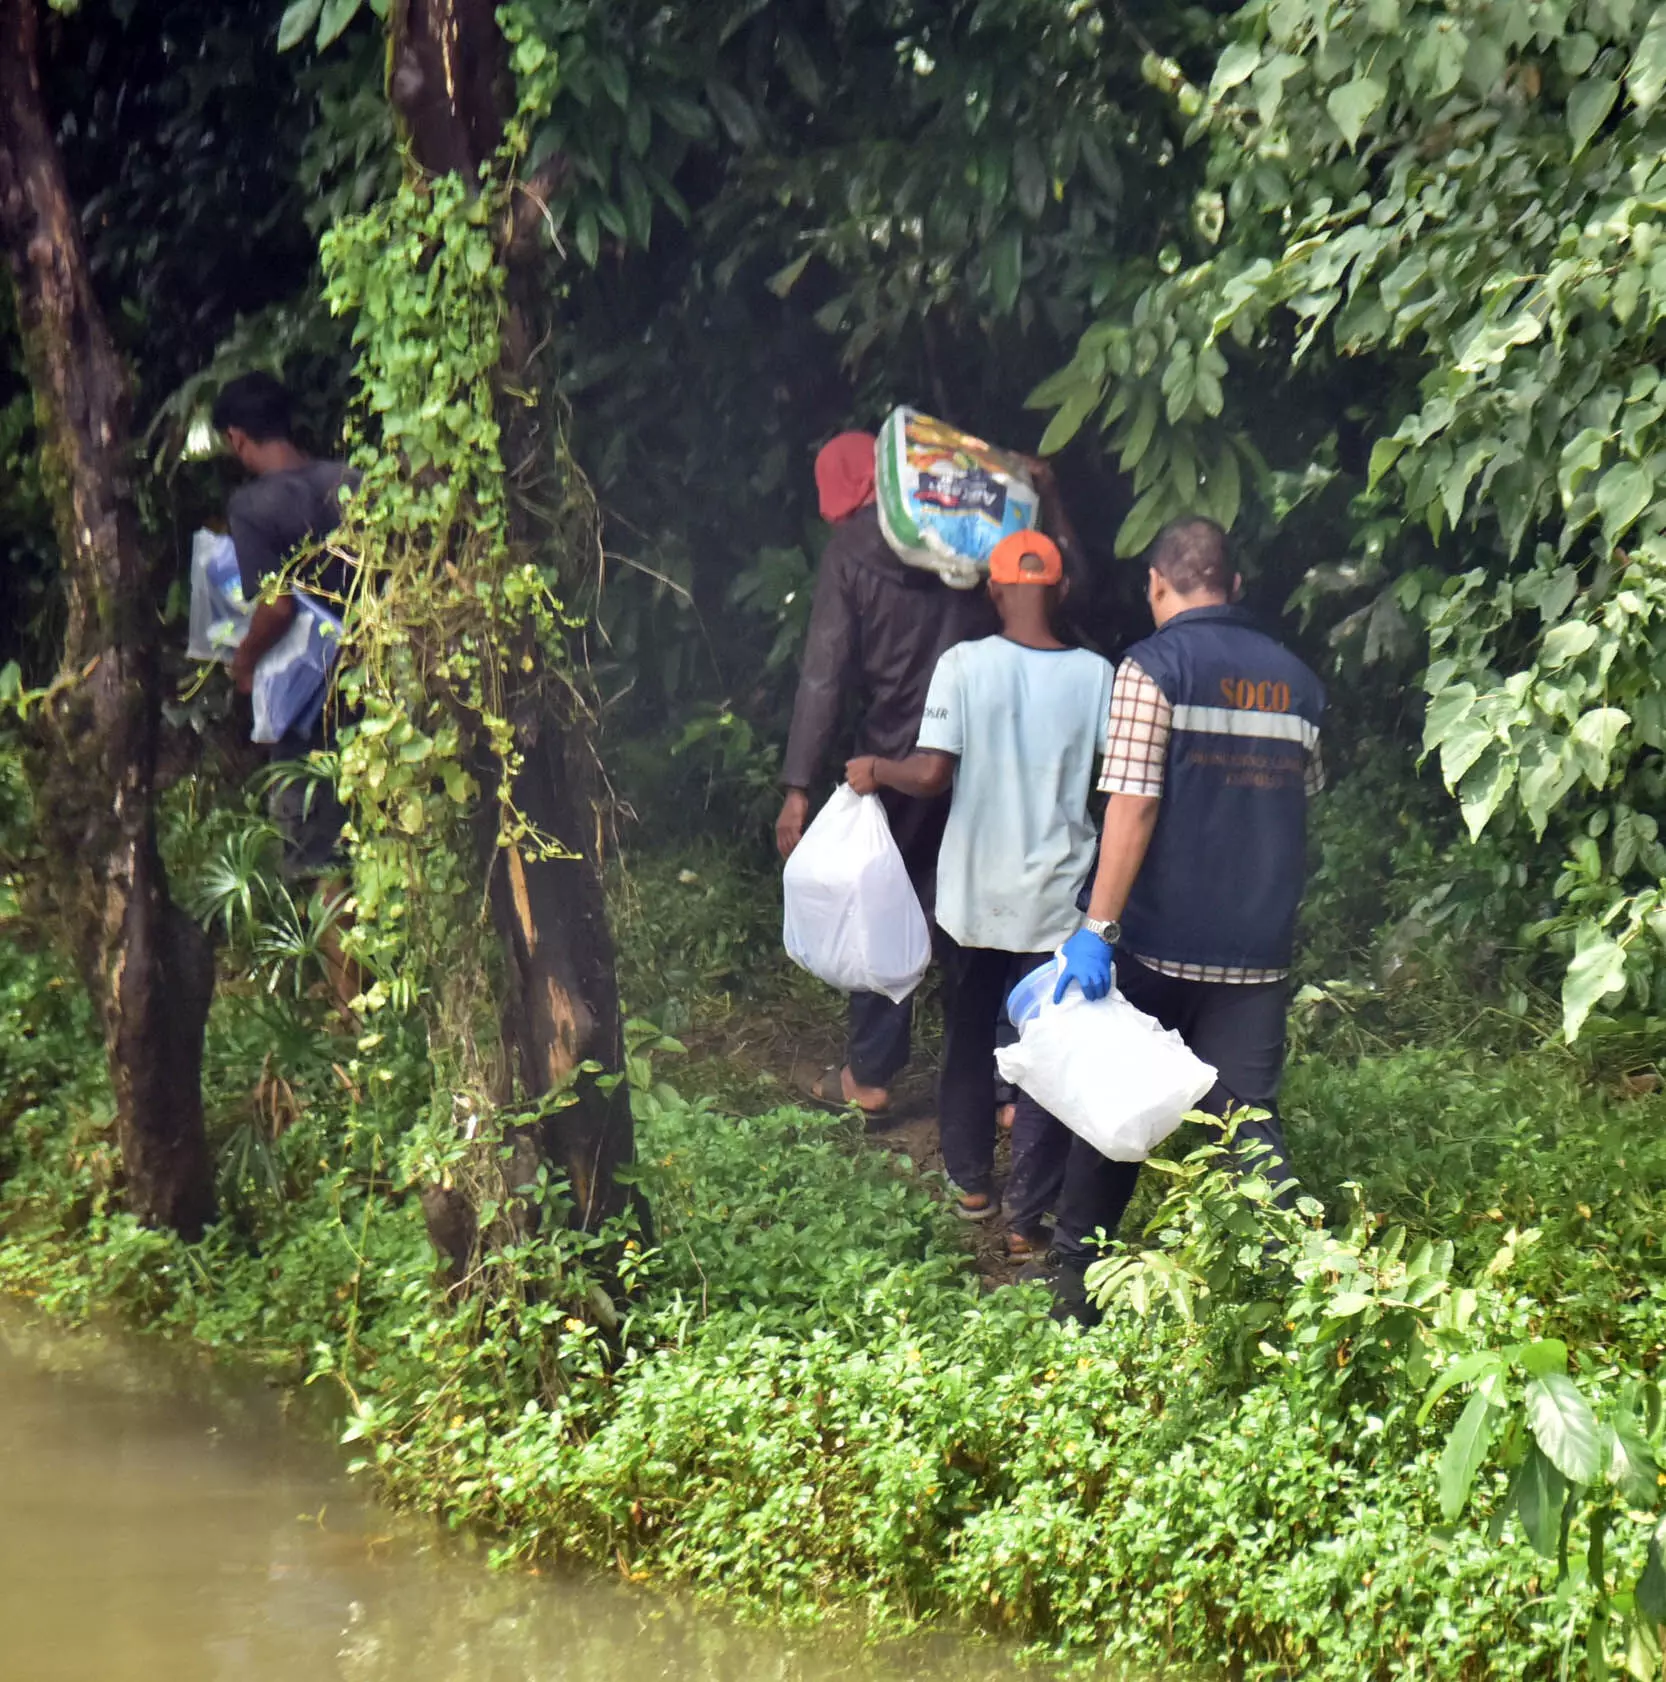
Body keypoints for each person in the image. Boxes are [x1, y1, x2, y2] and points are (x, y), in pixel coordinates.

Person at [1037, 515, 1326, 1321]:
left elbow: (1131, 809)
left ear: (1157, 584)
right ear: (1231, 586)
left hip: (1159, 945)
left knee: (1113, 1113)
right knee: (1249, 1129)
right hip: (1257, 955)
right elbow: (1295, 803)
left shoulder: (1152, 668)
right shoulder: (1300, 683)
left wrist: (1098, 929)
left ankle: (1075, 1298)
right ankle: (1294, 1306)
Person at [846, 531, 1113, 1227]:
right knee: (1043, 1051)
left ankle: (970, 1184)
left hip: (975, 896)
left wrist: (877, 768)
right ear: (1058, 590)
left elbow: (931, 775)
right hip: (1058, 896)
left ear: (992, 590)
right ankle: (1030, 1213)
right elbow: (1118, 788)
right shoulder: (1095, 675)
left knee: (967, 1037)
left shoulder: (962, 665)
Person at [776, 431, 998, 1118]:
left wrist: (798, 786)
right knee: (977, 907)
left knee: (884, 905)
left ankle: (870, 1075)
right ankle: (1000, 1080)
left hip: (895, 757)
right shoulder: (959, 534)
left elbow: (825, 672)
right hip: (979, 749)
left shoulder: (850, 553)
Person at [211, 370, 359, 882]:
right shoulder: (352, 481)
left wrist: (244, 659)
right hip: (377, 689)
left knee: (323, 870)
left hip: (308, 709)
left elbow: (276, 608)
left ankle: (343, 964)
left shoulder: (252, 507)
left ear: (236, 438)